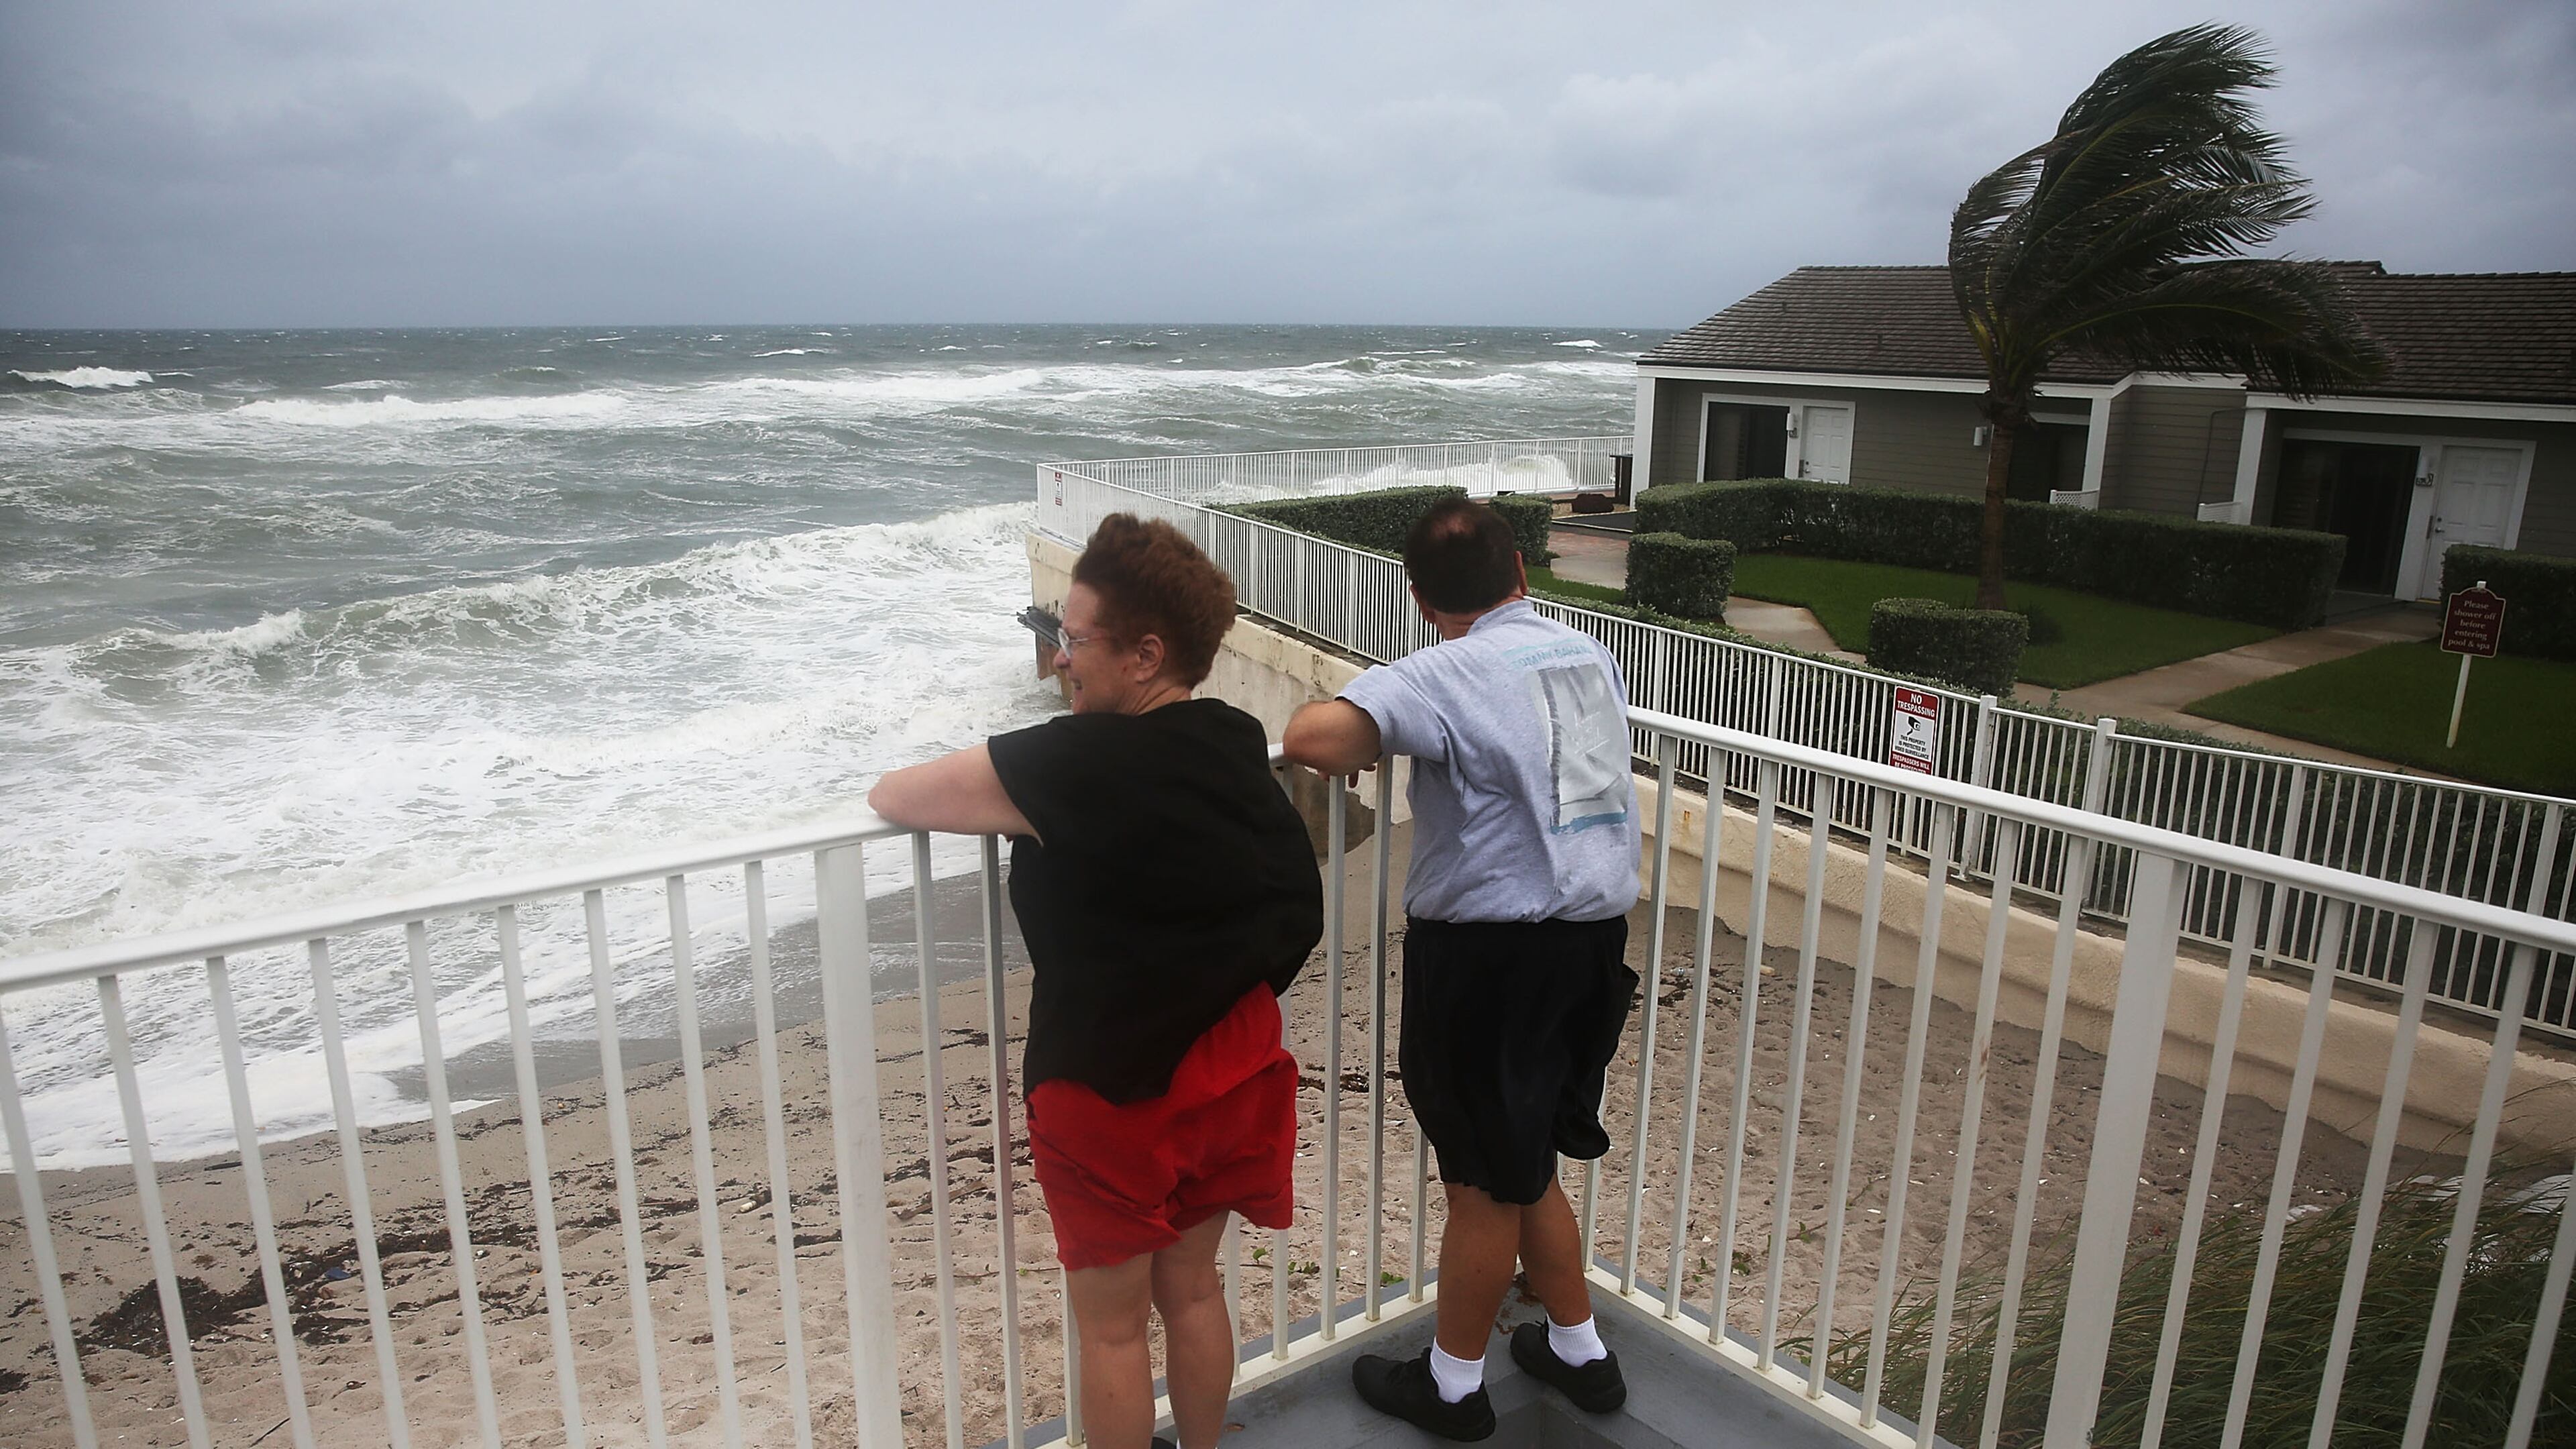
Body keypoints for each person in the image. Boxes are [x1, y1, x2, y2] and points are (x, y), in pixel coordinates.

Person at [870, 514, 1323, 1449]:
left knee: (1112, 1328)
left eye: (1074, 641)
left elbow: (894, 796)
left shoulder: (1067, 764)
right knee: (1194, 1290)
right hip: (1228, 1070)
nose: (1060, 661)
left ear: (1146, 654)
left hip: (1110, 1096)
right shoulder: (1233, 740)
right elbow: (1294, 904)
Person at [1281, 496, 1640, 1441]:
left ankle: (1452, 1388)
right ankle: (1580, 1354)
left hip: (1492, 961)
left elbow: (1317, 738)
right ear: (1519, 570)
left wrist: (1373, 723)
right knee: (1525, 1164)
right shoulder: (1585, 653)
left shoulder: (1440, 673)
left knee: (1482, 1181)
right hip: (1594, 945)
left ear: (1418, 596)